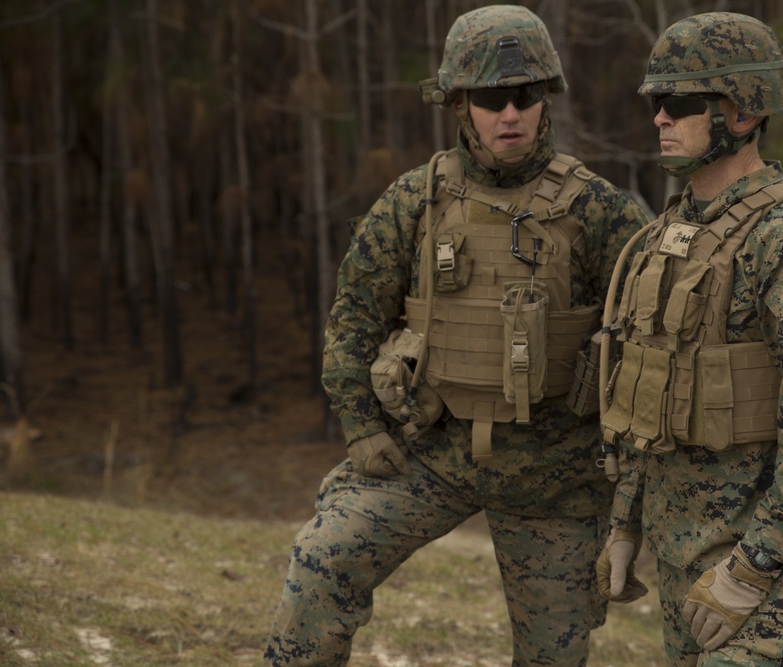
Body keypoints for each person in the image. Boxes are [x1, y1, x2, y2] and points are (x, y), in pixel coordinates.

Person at [263, 5, 649, 666]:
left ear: (545, 101)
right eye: (492, 98)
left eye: (525, 96)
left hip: (555, 473)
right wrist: (362, 426)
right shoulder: (414, 202)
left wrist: (631, 491)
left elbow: (649, 351)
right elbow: (353, 319)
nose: (510, 114)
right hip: (430, 450)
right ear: (459, 104)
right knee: (321, 559)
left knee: (555, 656)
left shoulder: (599, 211)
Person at [594, 11, 783, 667]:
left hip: (761, 585)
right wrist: (626, 523)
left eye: (680, 102)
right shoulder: (671, 234)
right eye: (656, 103)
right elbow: (651, 391)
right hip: (679, 568)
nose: (660, 118)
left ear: (744, 114)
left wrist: (753, 565)